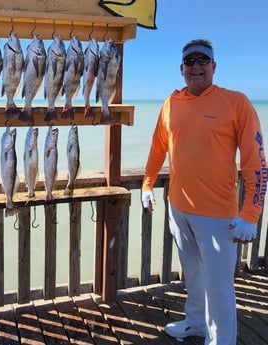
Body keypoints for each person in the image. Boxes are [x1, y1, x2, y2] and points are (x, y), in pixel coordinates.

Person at [141, 39, 267, 344]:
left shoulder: (236, 103)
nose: (196, 66)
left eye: (203, 60)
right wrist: (147, 183)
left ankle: (221, 339)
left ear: (214, 66)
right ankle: (195, 322)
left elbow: (257, 163)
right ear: (182, 68)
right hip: (178, 207)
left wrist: (250, 213)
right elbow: (159, 147)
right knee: (193, 275)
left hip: (218, 215)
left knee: (220, 286)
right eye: (190, 62)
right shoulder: (171, 103)